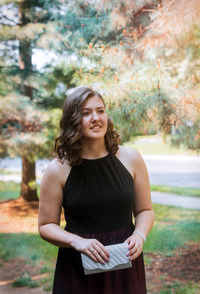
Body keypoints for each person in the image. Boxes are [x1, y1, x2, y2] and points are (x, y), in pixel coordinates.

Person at [38, 86, 155, 294]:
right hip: (79, 267)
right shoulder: (58, 169)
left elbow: (145, 210)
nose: (96, 118)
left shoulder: (131, 159)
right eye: (86, 113)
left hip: (125, 263)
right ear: (72, 120)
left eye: (100, 111)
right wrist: (77, 242)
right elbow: (46, 225)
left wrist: (139, 236)